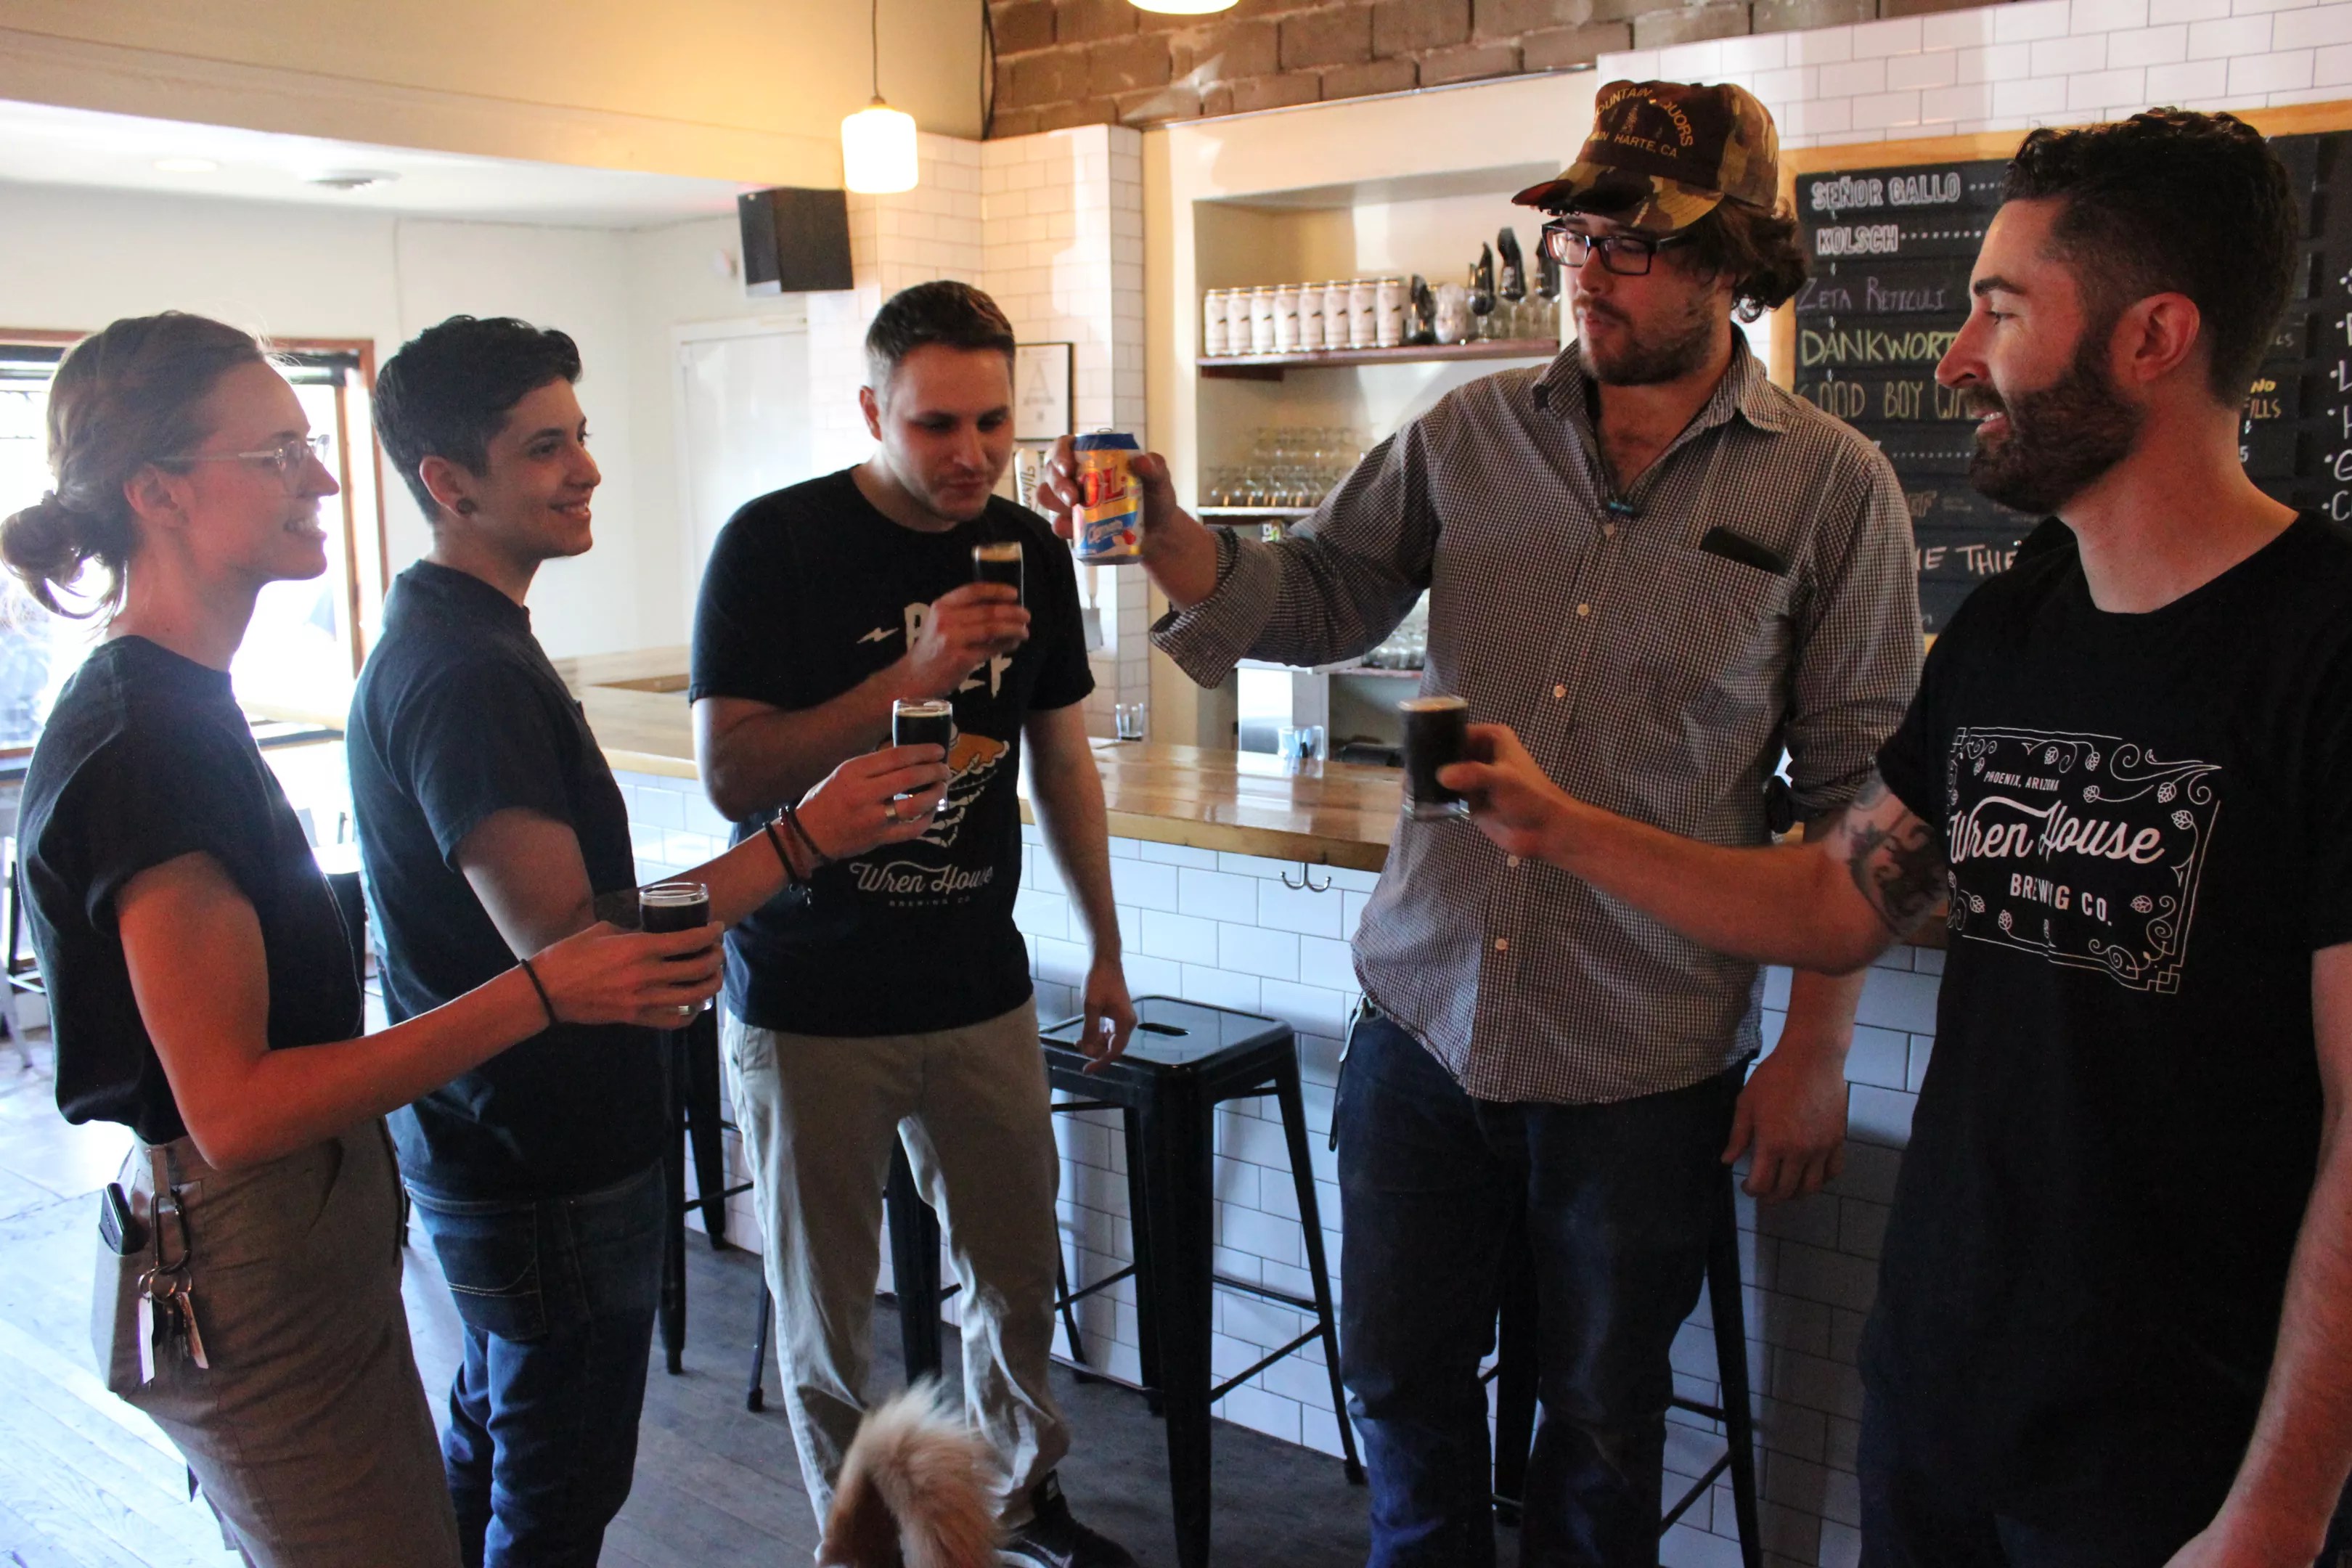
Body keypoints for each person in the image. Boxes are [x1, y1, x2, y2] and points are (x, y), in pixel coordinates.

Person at [1441, 110, 2352, 1566]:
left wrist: (2283, 1509)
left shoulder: (2323, 652)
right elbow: (1839, 899)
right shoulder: (2013, 623)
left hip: (2179, 1450)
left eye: (2002, 311)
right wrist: (1563, 829)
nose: (1955, 361)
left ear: (2153, 338)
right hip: (1942, 1388)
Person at [1042, 80, 1921, 1567]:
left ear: (1733, 262)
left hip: (1643, 1057)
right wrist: (1173, 537)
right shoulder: (1470, 433)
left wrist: (1814, 1053)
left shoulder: (1835, 487)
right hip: (1424, 1022)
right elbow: (1321, 598)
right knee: (1398, 1390)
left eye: (1632, 241)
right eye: (1576, 234)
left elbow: (1855, 795)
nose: (1587, 269)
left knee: (1601, 1430)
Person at [0, 311, 723, 1567]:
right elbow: (235, 1110)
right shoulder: (145, 740)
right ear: (156, 491)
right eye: (277, 455)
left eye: (309, 448)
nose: (323, 481)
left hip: (303, 1226)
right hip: (247, 1243)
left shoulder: (182, 703)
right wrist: (544, 989)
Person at [350, 316, 948, 1567]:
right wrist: (806, 837)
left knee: (497, 1432)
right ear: (448, 483)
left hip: (489, 1136)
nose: (587, 470)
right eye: (543, 449)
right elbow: (575, 946)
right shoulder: (465, 672)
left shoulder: (459, 637)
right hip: (539, 1149)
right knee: (557, 1490)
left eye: (580, 436)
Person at [690, 279, 1140, 1568]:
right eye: (936, 424)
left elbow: (1061, 760)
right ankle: (858, 1540)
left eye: (995, 422)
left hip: (978, 983)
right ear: (871, 410)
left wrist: (1105, 944)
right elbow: (733, 773)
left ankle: (1014, 1502)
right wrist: (915, 672)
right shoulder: (775, 544)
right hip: (810, 993)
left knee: (1016, 1278)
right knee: (828, 1314)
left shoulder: (1028, 547)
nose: (972, 454)